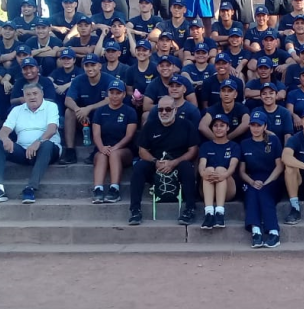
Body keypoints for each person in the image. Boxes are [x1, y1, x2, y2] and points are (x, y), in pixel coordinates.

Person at [0, 82, 62, 205]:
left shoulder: (51, 106)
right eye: (28, 94)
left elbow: (52, 129)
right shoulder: (17, 110)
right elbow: (3, 131)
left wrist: (38, 142)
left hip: (47, 150)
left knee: (47, 144)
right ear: (24, 97)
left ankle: (30, 188)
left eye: (35, 93)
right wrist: (5, 139)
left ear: (42, 94)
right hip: (24, 151)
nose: (32, 97)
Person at [129, 96, 200, 226]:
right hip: (156, 163)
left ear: (175, 110)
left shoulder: (186, 125)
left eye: (168, 109)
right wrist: (155, 162)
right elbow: (142, 150)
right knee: (139, 167)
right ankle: (135, 210)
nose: (164, 112)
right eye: (160, 109)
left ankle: (190, 209)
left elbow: (193, 150)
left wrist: (174, 162)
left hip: (178, 163)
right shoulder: (150, 125)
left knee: (187, 167)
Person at [240, 110, 284, 247]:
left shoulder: (274, 140)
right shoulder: (245, 144)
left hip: (272, 178)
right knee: (252, 192)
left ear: (265, 126)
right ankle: (256, 231)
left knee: (263, 192)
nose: (255, 128)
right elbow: (241, 171)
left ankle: (273, 232)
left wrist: (267, 182)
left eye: (259, 125)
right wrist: (252, 182)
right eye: (253, 125)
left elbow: (279, 166)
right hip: (252, 178)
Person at [90, 79, 138, 204]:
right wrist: (102, 148)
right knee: (101, 155)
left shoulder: (130, 111)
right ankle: (98, 190)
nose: (115, 96)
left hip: (123, 150)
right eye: (112, 93)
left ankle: (114, 189)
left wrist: (115, 147)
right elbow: (96, 134)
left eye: (118, 93)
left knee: (114, 154)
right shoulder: (99, 111)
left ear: (123, 94)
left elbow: (129, 135)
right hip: (103, 148)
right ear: (108, 94)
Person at [61, 53, 112, 165]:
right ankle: (70, 151)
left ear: (99, 66)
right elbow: (68, 100)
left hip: (102, 116)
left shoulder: (108, 79)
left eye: (93, 65)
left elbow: (110, 100)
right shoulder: (78, 80)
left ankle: (98, 149)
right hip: (83, 117)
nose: (90, 68)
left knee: (107, 112)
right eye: (87, 65)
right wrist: (78, 110)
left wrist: (89, 108)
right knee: (69, 111)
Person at [197, 113, 241, 229]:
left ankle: (220, 213)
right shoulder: (206, 146)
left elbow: (233, 166)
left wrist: (224, 175)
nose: (218, 128)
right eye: (215, 125)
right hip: (208, 186)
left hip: (228, 188)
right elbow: (202, 164)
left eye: (222, 125)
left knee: (221, 169)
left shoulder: (234, 146)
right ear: (212, 128)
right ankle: (209, 213)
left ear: (227, 128)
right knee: (209, 169)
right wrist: (203, 173)